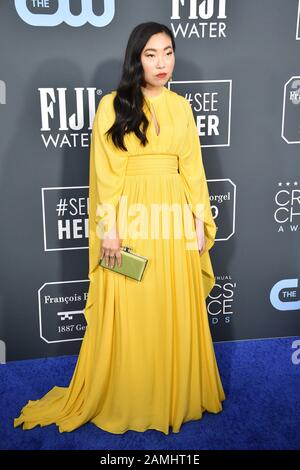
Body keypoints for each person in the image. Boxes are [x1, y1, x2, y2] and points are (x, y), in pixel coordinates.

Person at [14, 22, 225, 435]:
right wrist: (109, 229)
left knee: (170, 304)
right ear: (136, 58)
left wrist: (200, 220)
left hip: (176, 218)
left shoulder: (182, 108)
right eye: (151, 54)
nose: (161, 63)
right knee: (133, 307)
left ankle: (174, 392)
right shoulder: (113, 105)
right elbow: (105, 174)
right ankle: (131, 392)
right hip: (132, 218)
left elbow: (193, 170)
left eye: (167, 52)